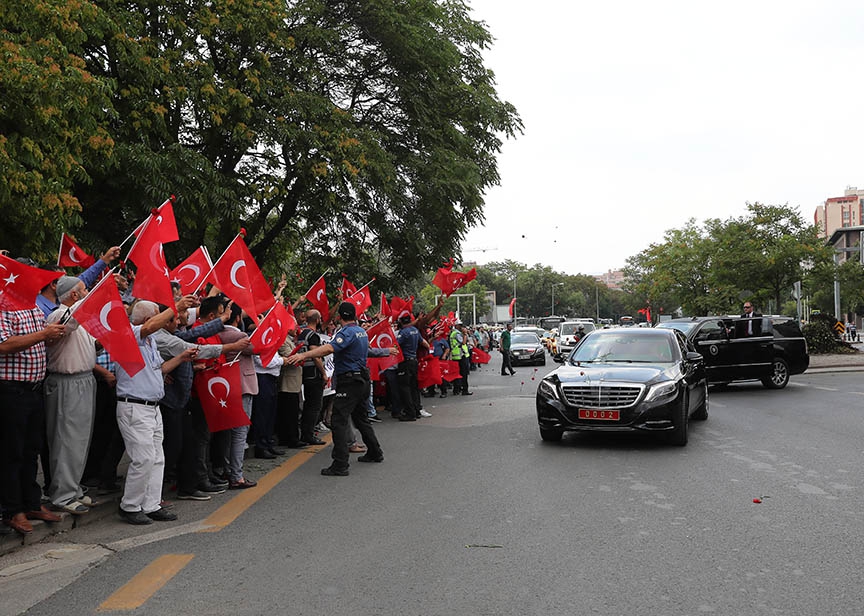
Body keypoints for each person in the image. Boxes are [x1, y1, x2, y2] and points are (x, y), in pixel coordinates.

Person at [115, 300, 197, 525]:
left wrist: (180, 358)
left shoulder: (150, 341)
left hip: (152, 407)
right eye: (158, 316)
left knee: (157, 458)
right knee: (142, 458)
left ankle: (150, 505)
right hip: (134, 406)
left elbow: (159, 369)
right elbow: (150, 327)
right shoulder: (130, 333)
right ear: (146, 319)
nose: (162, 320)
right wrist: (177, 304)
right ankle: (130, 506)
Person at [287, 302, 383, 476]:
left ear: (340, 316)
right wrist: (385, 351)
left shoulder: (346, 333)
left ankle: (340, 464)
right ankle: (375, 452)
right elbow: (366, 352)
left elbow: (330, 348)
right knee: (361, 418)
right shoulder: (361, 332)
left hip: (349, 381)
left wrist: (303, 354)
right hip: (361, 379)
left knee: (338, 421)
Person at [0, 300, 66, 534]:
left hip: (34, 388)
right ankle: (12, 509)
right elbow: (5, 345)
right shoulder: (2, 307)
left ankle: (31, 503)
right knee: (12, 452)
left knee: (31, 450)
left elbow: (41, 340)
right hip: (11, 389)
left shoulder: (33, 307)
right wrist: (43, 334)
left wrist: (52, 335)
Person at [43, 276, 99, 515]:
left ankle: (73, 489)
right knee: (66, 439)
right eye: (84, 290)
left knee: (80, 439)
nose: (87, 293)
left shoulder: (82, 318)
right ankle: (62, 495)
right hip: (66, 383)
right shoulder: (57, 315)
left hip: (85, 380)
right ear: (74, 295)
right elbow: (70, 324)